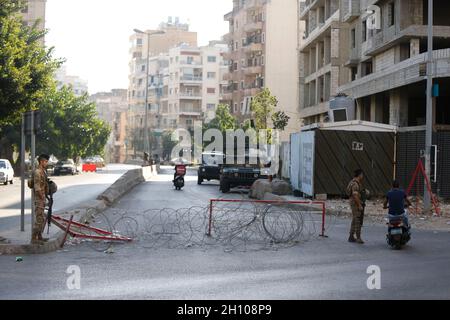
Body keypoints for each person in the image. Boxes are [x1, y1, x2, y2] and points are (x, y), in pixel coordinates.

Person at [32, 154, 50, 244]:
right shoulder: (37, 172)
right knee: (39, 218)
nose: (46, 163)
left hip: (42, 197)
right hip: (39, 198)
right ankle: (33, 239)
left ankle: (39, 237)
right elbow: (37, 187)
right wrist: (42, 197)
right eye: (46, 162)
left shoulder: (43, 171)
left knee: (42, 218)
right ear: (42, 161)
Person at [347, 169, 365, 244]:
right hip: (355, 203)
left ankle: (351, 236)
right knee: (358, 220)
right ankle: (358, 237)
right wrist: (359, 205)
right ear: (360, 175)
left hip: (354, 202)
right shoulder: (355, 184)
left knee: (355, 219)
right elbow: (355, 195)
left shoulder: (353, 182)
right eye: (362, 175)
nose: (362, 176)